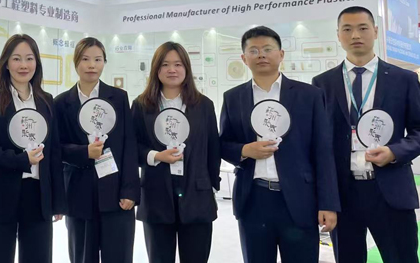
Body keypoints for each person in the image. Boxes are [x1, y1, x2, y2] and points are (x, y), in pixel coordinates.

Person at [219, 26, 339, 263]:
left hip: (299, 198)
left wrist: (328, 203)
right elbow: (223, 143)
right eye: (253, 51)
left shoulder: (309, 95)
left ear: (281, 54)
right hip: (253, 199)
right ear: (244, 58)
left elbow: (323, 151)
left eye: (267, 49)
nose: (261, 55)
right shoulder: (233, 97)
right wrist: (244, 150)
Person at [312, 6, 420, 263]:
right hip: (343, 193)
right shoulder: (322, 83)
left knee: (402, 257)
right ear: (338, 35)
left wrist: (395, 152)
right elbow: (318, 143)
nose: (355, 35)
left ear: (375, 31)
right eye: (347, 29)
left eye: (362, 28)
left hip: (390, 189)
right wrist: (325, 199)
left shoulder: (403, 79)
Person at [0, 34, 66, 263]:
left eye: (29, 58)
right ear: (6, 63)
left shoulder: (47, 101)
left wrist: (57, 201)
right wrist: (21, 160)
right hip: (0, 195)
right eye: (16, 59)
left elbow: (54, 152)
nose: (23, 65)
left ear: (37, 63)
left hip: (38, 196)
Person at [131, 42, 220, 263]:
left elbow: (213, 149)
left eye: (178, 64)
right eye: (165, 64)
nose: (172, 69)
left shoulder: (204, 105)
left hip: (197, 196)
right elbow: (132, 148)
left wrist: (212, 185)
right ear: (156, 69)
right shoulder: (141, 105)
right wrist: (155, 156)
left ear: (186, 68)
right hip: (156, 195)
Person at [54, 37, 140, 263]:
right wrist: (84, 152)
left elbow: (129, 145)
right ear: (76, 63)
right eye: (85, 59)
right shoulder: (61, 102)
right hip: (78, 195)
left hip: (116, 194)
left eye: (98, 59)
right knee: (82, 257)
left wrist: (130, 190)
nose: (91, 65)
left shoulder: (118, 98)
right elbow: (57, 148)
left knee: (119, 256)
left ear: (104, 63)